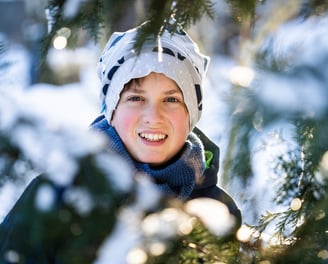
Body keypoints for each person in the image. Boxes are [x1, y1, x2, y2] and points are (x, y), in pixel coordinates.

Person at [0, 21, 241, 263]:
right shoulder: (58, 198)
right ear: (111, 110)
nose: (153, 117)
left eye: (171, 100)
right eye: (136, 97)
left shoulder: (217, 211)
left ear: (192, 113)